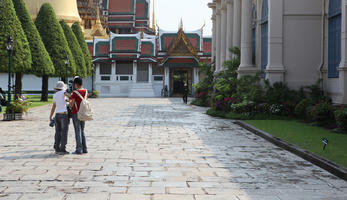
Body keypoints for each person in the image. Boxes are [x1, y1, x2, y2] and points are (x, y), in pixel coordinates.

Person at [49, 81, 70, 155]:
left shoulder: (55, 95)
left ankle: (57, 148)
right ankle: (62, 149)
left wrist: (50, 116)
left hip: (57, 115)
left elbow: (54, 107)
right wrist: (68, 100)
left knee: (57, 132)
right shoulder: (63, 92)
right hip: (63, 115)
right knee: (64, 132)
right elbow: (70, 96)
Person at [69, 77, 89, 155]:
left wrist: (68, 103)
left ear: (76, 84)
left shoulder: (75, 93)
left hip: (76, 113)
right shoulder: (86, 91)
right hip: (83, 113)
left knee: (77, 131)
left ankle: (79, 149)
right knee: (82, 130)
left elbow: (72, 104)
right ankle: (85, 148)